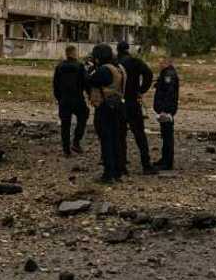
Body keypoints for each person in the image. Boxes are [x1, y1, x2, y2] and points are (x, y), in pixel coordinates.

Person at [87, 43, 125, 183]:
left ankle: (108, 173)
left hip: (104, 108)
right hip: (117, 106)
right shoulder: (117, 68)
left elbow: (90, 81)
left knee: (106, 141)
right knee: (116, 140)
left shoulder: (103, 70)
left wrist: (88, 69)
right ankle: (117, 171)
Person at [116, 41, 155, 174]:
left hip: (119, 102)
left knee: (120, 135)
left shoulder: (115, 62)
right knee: (139, 134)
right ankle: (146, 164)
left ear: (118, 50)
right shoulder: (135, 61)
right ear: (128, 49)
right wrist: (141, 89)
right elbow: (148, 74)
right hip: (133, 101)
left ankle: (121, 166)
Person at [53, 45, 88, 156]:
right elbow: (85, 82)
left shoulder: (59, 67)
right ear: (73, 53)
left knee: (65, 125)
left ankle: (66, 150)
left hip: (64, 99)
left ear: (66, 53)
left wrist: (59, 98)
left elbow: (55, 85)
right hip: (77, 98)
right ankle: (76, 141)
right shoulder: (80, 66)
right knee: (83, 117)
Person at [152, 56, 179, 170]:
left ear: (167, 63)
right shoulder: (166, 73)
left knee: (167, 135)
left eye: (161, 62)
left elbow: (170, 93)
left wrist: (164, 109)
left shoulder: (169, 75)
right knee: (165, 135)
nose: (159, 65)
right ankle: (165, 159)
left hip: (166, 110)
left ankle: (167, 162)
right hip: (164, 108)